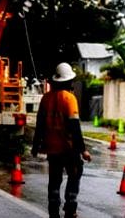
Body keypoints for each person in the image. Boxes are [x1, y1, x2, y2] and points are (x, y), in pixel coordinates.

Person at [31, 62, 92, 218]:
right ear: (69, 81)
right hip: (68, 148)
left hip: (52, 147)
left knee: (54, 179)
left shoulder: (45, 98)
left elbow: (39, 124)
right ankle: (70, 207)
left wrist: (35, 145)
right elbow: (74, 127)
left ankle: (53, 209)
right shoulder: (69, 99)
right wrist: (83, 149)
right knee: (75, 172)